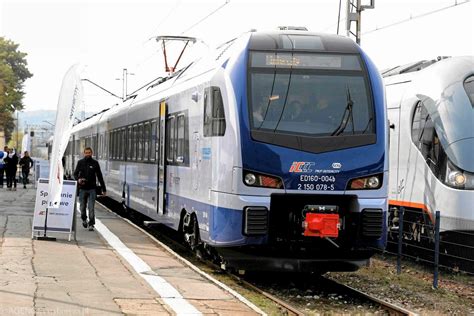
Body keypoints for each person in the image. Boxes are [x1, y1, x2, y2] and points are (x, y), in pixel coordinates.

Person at [74, 147, 106, 231]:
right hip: (82, 188)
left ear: (92, 153)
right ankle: (84, 219)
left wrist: (104, 189)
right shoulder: (80, 162)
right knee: (82, 207)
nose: (88, 154)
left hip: (92, 189)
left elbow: (100, 176)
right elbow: (75, 174)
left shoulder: (95, 163)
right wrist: (79, 179)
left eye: (89, 153)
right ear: (84, 153)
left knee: (91, 207)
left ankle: (91, 224)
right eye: (86, 153)